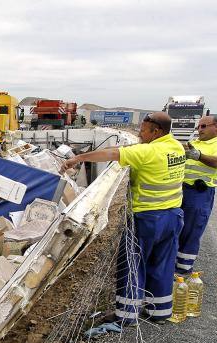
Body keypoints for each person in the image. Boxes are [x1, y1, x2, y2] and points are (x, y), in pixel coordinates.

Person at [63, 112, 185, 323]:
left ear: (156, 132)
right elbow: (127, 149)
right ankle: (160, 311)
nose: (139, 133)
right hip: (173, 215)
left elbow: (111, 155)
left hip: (148, 217)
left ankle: (127, 315)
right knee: (163, 264)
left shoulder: (149, 151)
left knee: (132, 262)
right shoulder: (176, 147)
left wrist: (78, 158)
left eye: (143, 130)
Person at [175, 115, 217, 274]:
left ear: (216, 127)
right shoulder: (194, 143)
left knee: (191, 231)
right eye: (199, 127)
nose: (200, 130)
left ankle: (183, 270)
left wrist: (199, 156)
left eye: (204, 126)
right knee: (175, 229)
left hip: (199, 194)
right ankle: (171, 267)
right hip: (180, 190)